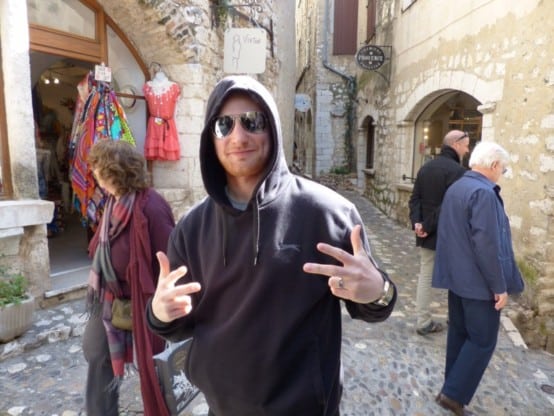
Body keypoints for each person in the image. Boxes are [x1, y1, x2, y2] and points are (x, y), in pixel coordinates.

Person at [146, 75, 397, 416]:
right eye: (224, 125)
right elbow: (176, 326)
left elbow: (374, 306)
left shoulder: (328, 213)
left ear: (273, 129)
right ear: (210, 138)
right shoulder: (191, 229)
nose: (238, 136)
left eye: (253, 121)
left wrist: (379, 290)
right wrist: (159, 313)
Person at [82, 139, 175, 416]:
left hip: (144, 300)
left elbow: (169, 257)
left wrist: (162, 308)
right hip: (109, 297)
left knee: (153, 366)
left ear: (116, 171)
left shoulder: (152, 207)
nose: (95, 176)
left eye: (99, 170)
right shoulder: (113, 201)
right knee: (96, 353)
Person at [432, 141, 524, 415]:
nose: (502, 174)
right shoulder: (483, 193)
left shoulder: (457, 187)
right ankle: (453, 395)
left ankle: (451, 388)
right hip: (478, 283)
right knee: (482, 341)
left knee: (459, 335)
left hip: (458, 279)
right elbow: (487, 245)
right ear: (494, 165)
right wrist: (499, 286)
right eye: (503, 169)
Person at [408, 130, 469, 335]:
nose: (467, 150)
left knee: (426, 275)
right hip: (449, 234)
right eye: (466, 145)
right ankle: (455, 318)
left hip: (427, 233)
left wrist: (418, 223)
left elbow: (414, 199)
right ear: (456, 144)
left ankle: (423, 321)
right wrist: (424, 225)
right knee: (456, 276)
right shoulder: (458, 172)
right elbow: (447, 206)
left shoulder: (426, 167)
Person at [143, 69, 181, 161]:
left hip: (167, 123)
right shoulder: (148, 87)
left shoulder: (173, 87)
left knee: (168, 145)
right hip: (154, 124)